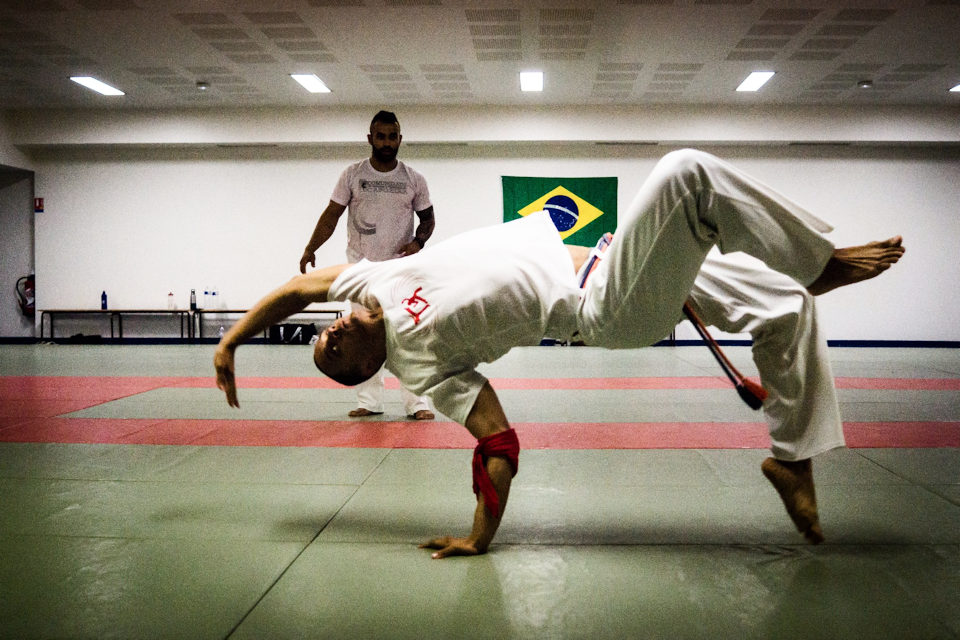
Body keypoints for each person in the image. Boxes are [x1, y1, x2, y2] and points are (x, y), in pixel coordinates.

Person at [216, 149, 905, 559]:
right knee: (686, 174)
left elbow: (294, 288)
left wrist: (232, 342)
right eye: (331, 355)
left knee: (785, 309)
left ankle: (794, 465)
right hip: (604, 307)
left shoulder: (365, 280)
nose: (330, 333)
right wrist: (479, 537)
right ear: (363, 371)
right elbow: (497, 442)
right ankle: (817, 261)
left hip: (606, 260)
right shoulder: (420, 366)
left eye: (325, 331)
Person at [299, 109, 436, 420]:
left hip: (401, 271)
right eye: (381, 136)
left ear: (399, 139)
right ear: (370, 138)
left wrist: (418, 242)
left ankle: (418, 403)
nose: (386, 142)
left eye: (392, 137)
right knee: (362, 336)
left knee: (408, 335)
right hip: (361, 272)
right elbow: (330, 216)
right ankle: (370, 401)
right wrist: (310, 248)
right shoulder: (352, 175)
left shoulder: (414, 179)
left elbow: (427, 219)